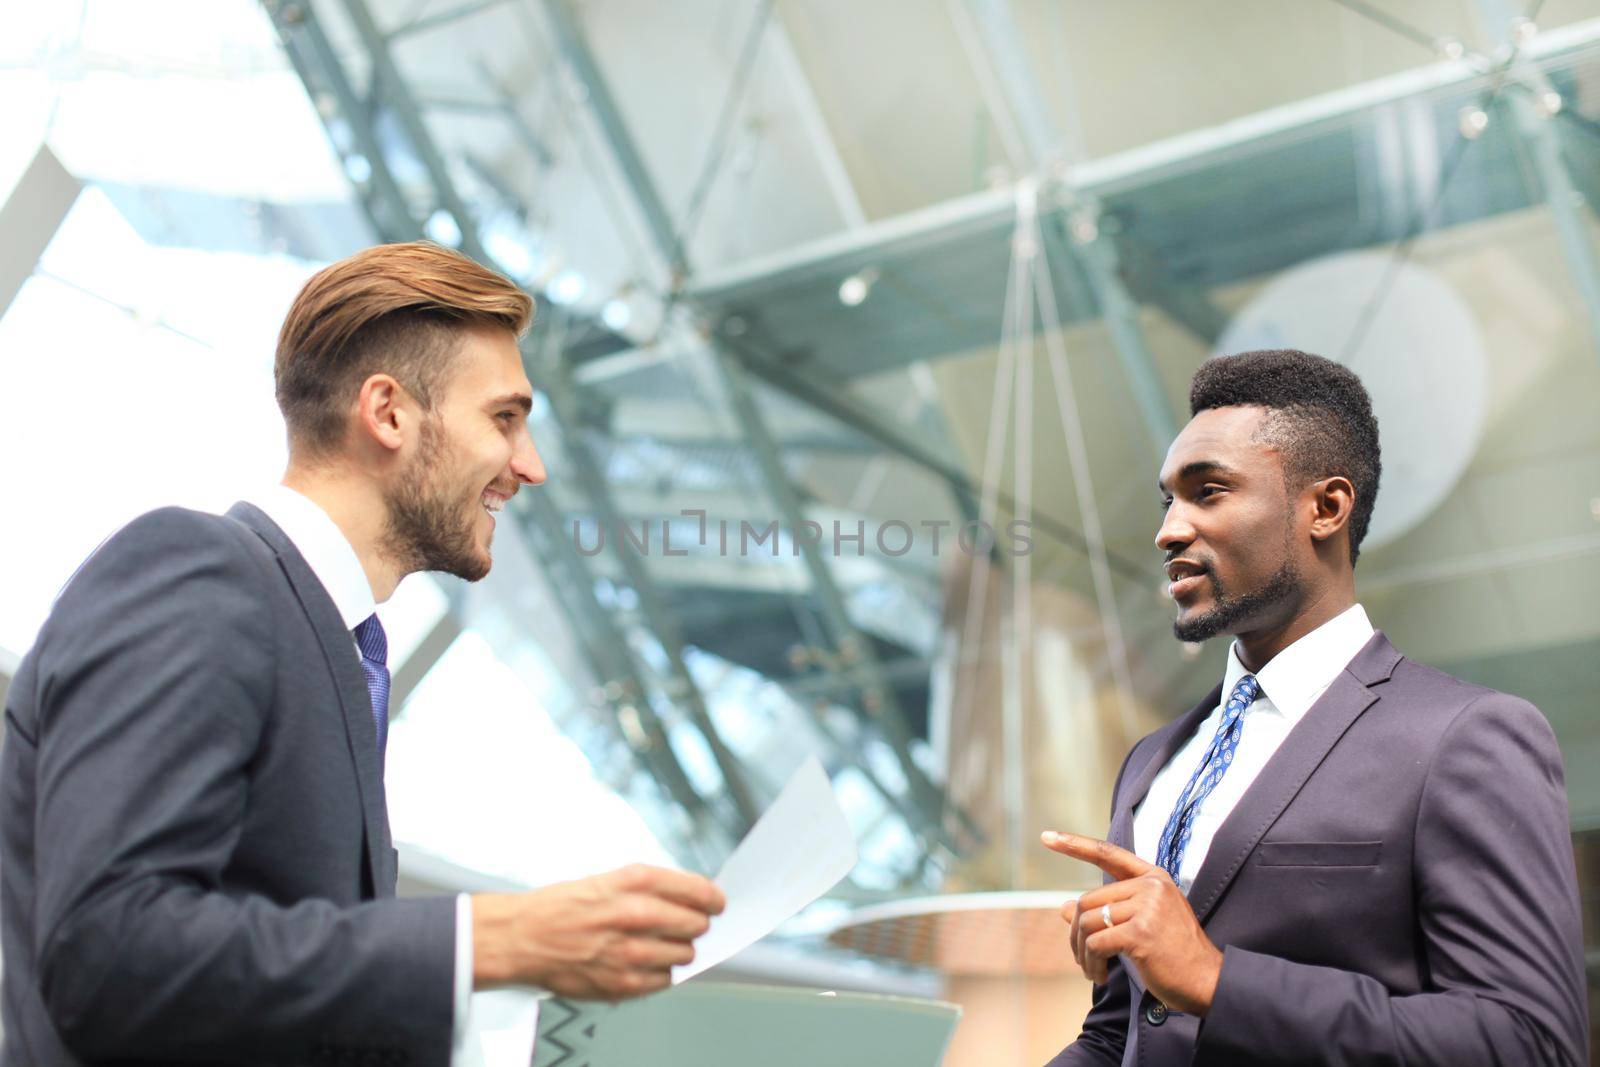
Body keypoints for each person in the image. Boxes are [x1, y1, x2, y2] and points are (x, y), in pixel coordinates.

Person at [1, 242, 726, 1065]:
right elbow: (109, 957)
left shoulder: (331, 650)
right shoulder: (197, 572)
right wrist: (488, 938)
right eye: (505, 417)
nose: (531, 465)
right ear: (387, 413)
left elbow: (272, 1003)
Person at [1040, 349, 1587, 1065]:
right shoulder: (1153, 762)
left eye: (1208, 492)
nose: (1169, 529)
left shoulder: (1464, 738)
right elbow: (1120, 1037)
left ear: (1325, 508)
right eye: (1167, 499)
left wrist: (1216, 978)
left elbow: (1529, 1042)